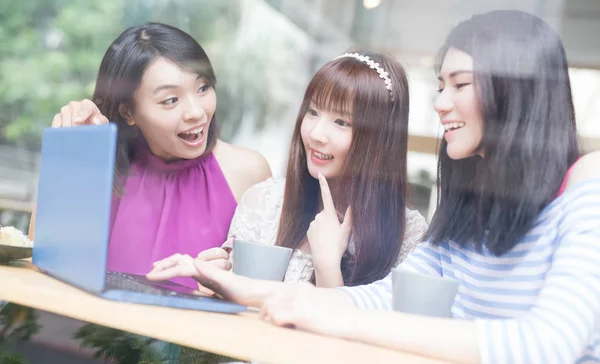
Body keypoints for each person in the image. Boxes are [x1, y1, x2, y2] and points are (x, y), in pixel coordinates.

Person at [150, 11, 600, 363]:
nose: (441, 104)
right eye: (440, 86)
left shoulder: (589, 180)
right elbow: (382, 296)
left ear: (516, 91)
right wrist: (245, 290)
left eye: (460, 85)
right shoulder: (471, 202)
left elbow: (548, 344)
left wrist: (316, 309)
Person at [149, 51, 429, 289]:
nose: (316, 133)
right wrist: (218, 287)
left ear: (379, 139)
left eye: (341, 122)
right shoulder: (265, 202)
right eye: (313, 112)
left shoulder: (408, 235)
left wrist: (328, 267)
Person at [30, 23, 271, 289]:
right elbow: (40, 262)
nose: (197, 112)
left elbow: (263, 296)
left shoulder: (247, 172)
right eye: (171, 100)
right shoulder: (101, 170)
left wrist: (225, 286)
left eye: (203, 88)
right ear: (127, 113)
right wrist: (70, 150)